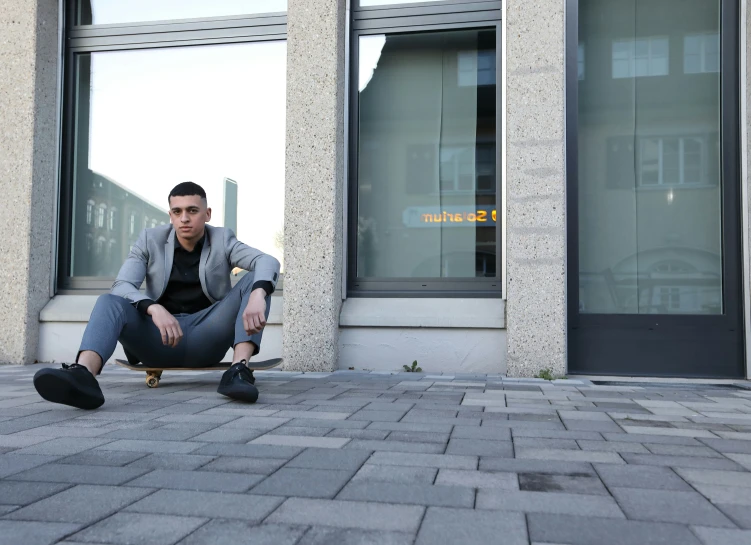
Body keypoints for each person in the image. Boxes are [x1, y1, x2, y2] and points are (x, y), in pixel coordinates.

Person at [33, 182, 280, 410]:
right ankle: (82, 376)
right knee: (109, 302)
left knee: (256, 280)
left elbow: (266, 260)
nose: (184, 218)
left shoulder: (222, 239)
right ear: (170, 215)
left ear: (207, 214)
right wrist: (153, 308)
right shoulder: (150, 240)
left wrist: (259, 293)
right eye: (177, 211)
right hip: (158, 338)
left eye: (193, 210)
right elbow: (122, 285)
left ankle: (238, 371)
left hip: (207, 335)